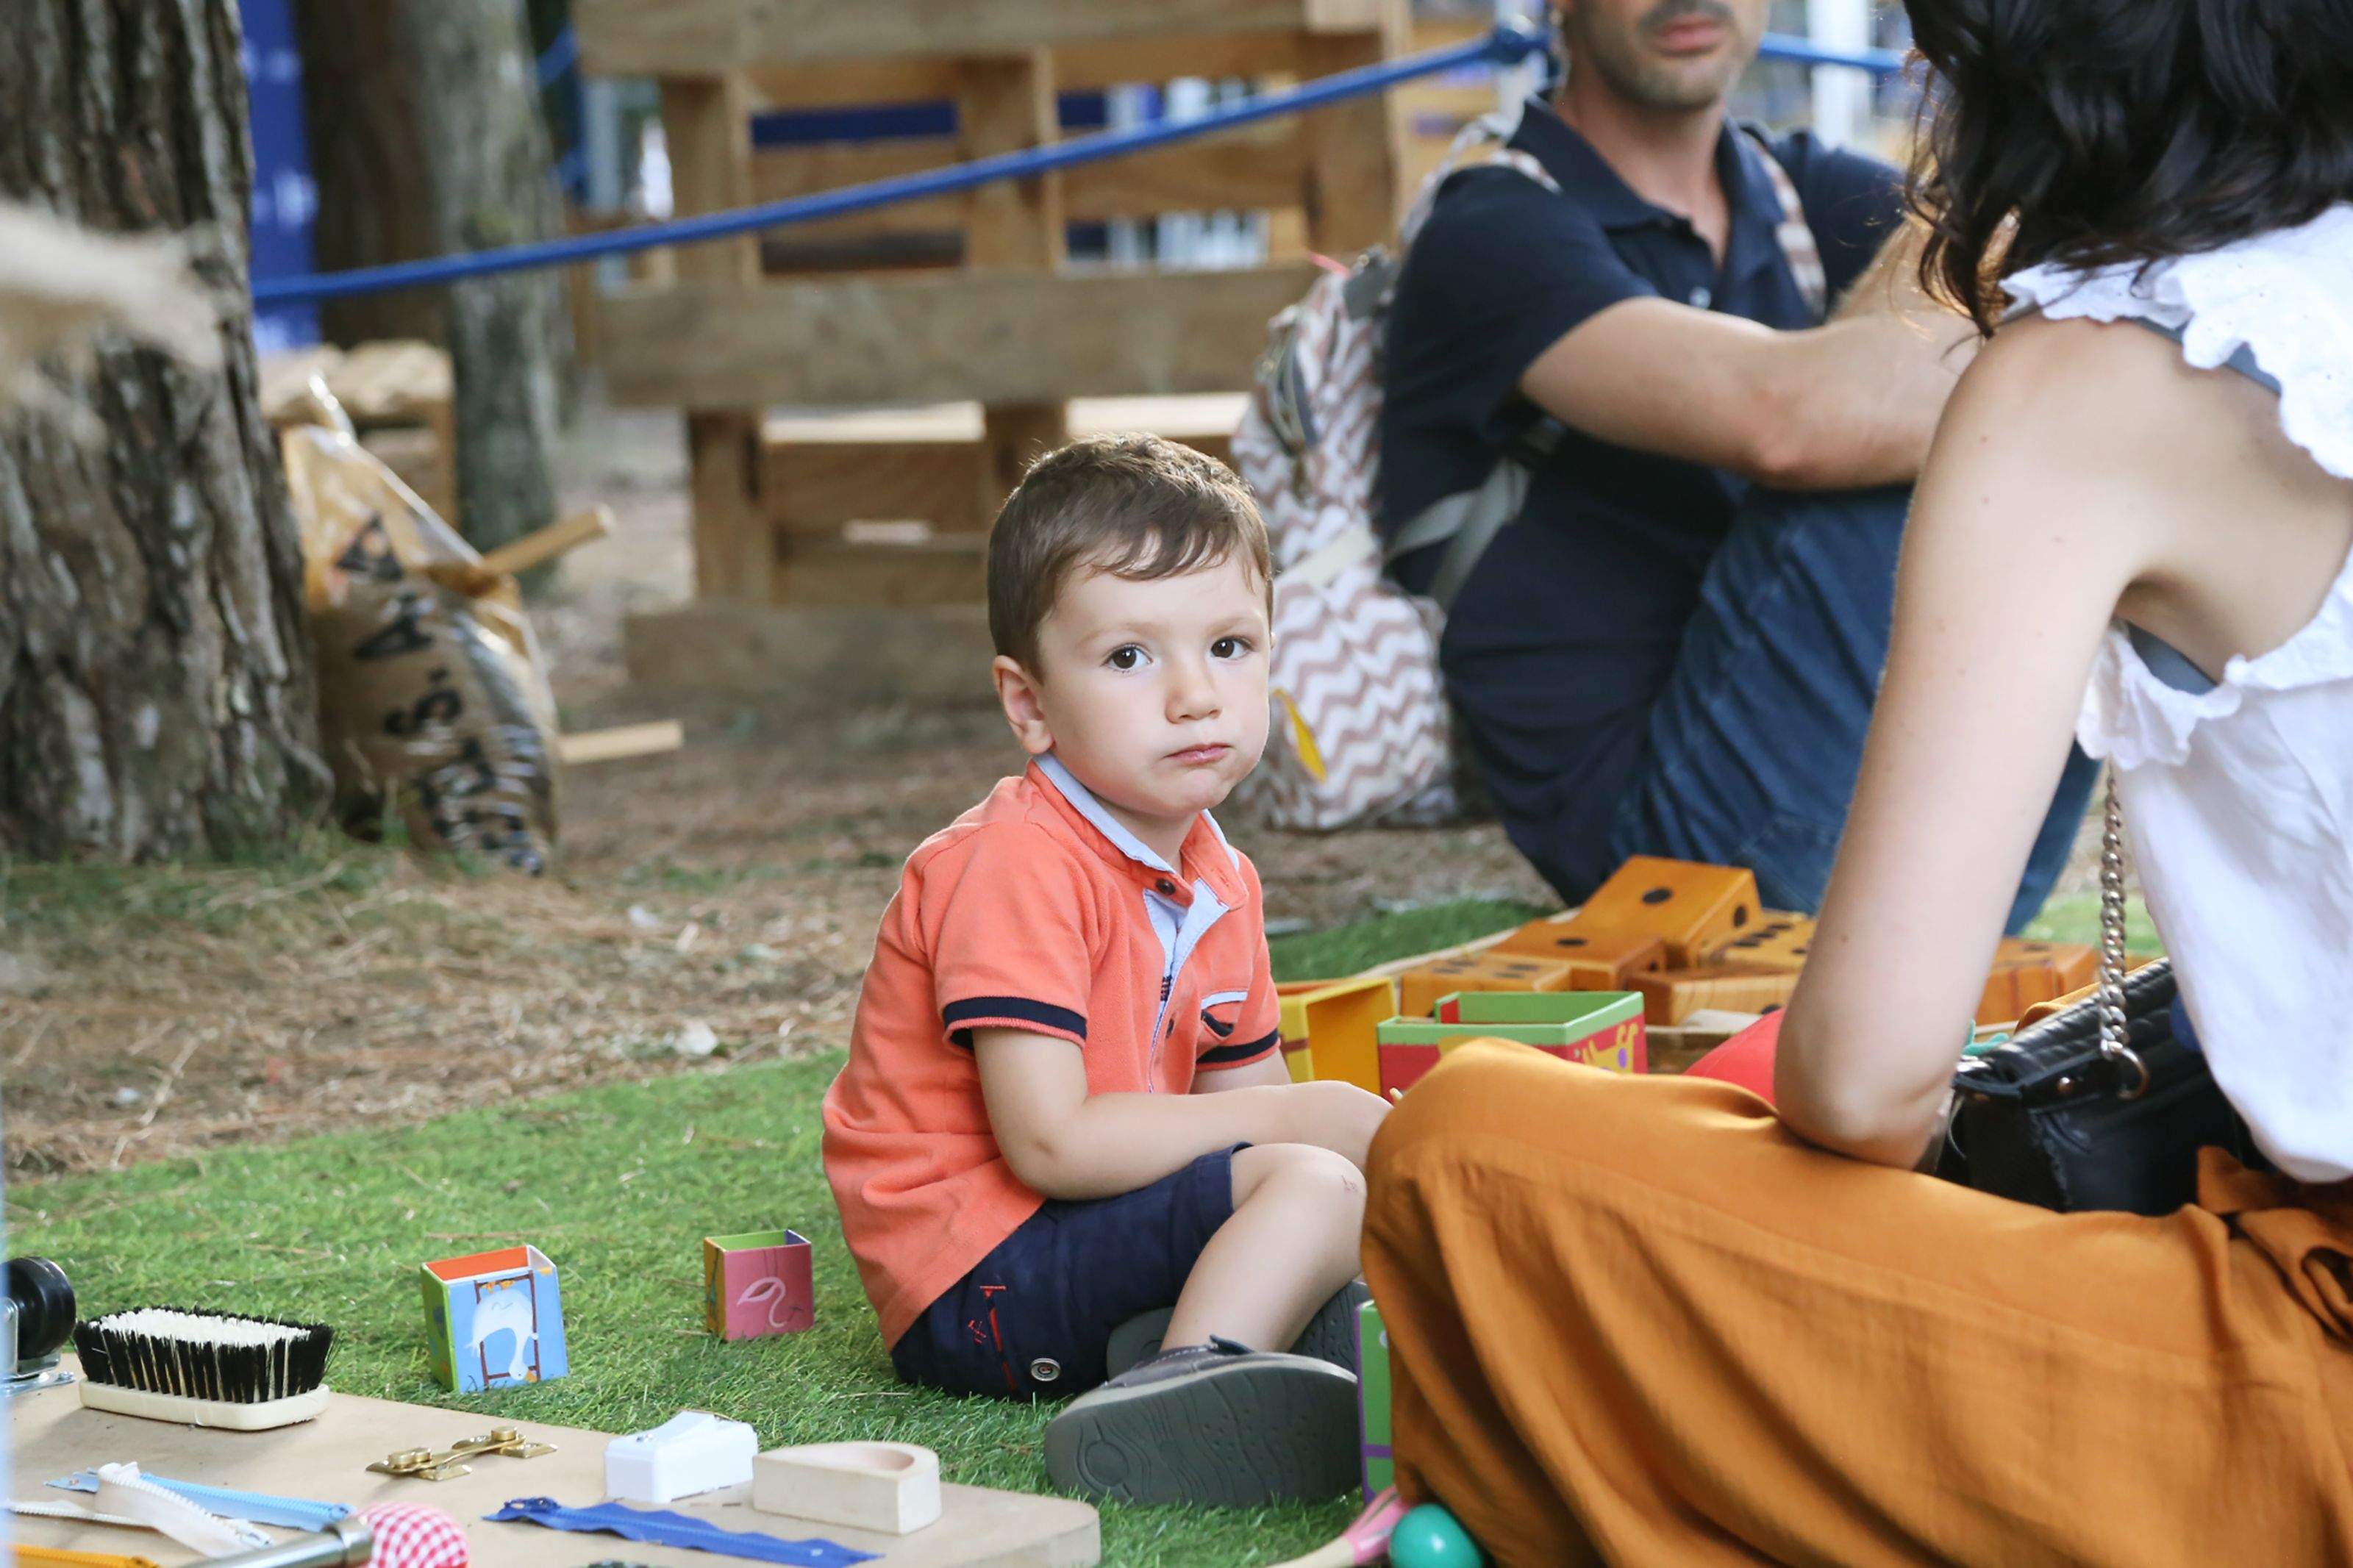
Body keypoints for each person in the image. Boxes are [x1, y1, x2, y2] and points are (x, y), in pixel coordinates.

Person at [1363, 0, 2353, 1558]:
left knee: (1460, 1151)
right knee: (1899, 440)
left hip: (2314, 1377)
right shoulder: (1492, 219)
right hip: (1666, 827)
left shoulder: (1897, 251)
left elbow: (1859, 1092)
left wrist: (1998, 270)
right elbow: (1794, 418)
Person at [1381, 0, 2099, 920]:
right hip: (1667, 852)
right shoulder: (1487, 229)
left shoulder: (1797, 189)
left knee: (2076, 398)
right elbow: (1790, 423)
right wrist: (2001, 152)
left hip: (1847, 786)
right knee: (1946, 444)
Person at [821, 435, 1390, 1508]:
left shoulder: (1218, 872)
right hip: (975, 1276)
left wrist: (1324, 1135)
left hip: (1086, 1232)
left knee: (1341, 1190)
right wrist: (1317, 1124)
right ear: (1028, 703)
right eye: (1130, 657)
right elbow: (1052, 1142)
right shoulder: (1016, 862)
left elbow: (1246, 1112)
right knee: (1314, 1171)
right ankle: (1184, 1392)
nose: (1193, 695)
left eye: (1229, 645)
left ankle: (1262, 1344)